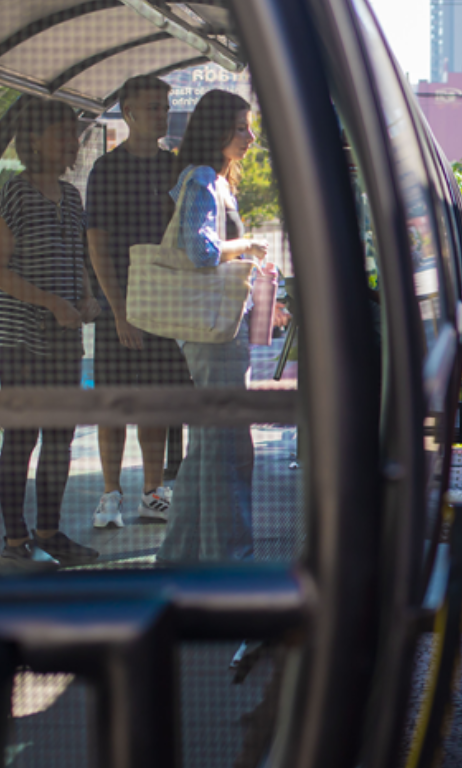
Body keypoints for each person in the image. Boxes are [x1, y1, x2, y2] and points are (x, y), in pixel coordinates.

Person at [0, 100, 102, 570]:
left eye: (74, 136)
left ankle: (48, 532)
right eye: (63, 135)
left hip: (64, 342)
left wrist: (88, 297)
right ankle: (14, 542)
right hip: (23, 340)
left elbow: (78, 261)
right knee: (22, 437)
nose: (72, 144)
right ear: (34, 140)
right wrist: (51, 302)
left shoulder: (71, 197)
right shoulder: (16, 192)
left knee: (60, 437)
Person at [156, 90, 268, 563]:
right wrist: (248, 245)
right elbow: (201, 251)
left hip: (211, 329)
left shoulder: (212, 179)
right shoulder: (203, 178)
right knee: (228, 447)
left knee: (206, 448)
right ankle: (230, 563)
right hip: (214, 332)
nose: (250, 137)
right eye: (241, 127)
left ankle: (178, 559)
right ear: (217, 128)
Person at [85, 75, 193, 529]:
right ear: (127, 113)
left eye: (164, 106)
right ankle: (110, 493)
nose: (161, 114)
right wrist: (117, 310)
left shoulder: (175, 168)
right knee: (114, 403)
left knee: (155, 402)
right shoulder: (107, 169)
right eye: (152, 107)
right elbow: (97, 243)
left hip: (165, 309)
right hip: (120, 308)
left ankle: (153, 492)